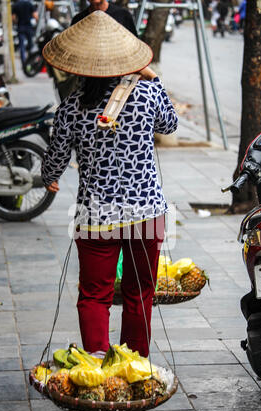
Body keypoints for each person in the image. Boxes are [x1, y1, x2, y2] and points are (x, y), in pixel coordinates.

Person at [41, 11, 178, 358]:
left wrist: (50, 179)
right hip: (146, 213)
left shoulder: (72, 106)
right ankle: (134, 368)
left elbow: (54, 161)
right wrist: (155, 78)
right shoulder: (146, 94)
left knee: (94, 296)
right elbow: (170, 124)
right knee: (139, 294)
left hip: (97, 217)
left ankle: (100, 371)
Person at [12, 0, 38, 65]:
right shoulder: (29, 4)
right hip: (28, 26)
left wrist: (16, 22)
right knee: (30, 45)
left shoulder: (16, 4)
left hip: (20, 26)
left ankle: (24, 62)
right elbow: (35, 16)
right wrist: (37, 23)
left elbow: (13, 17)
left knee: (22, 46)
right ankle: (31, 61)